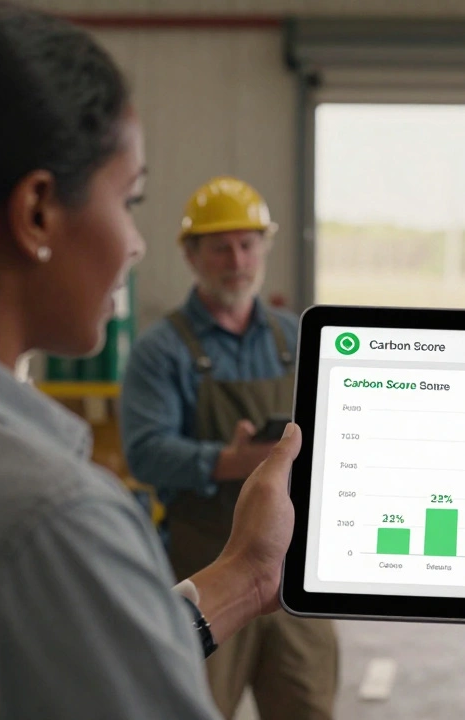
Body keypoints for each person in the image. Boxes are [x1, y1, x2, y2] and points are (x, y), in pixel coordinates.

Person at [0, 4, 303, 718]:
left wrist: (246, 576)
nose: (135, 242)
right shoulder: (53, 521)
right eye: (130, 199)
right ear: (35, 213)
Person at [120, 179, 338, 720]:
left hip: (295, 577)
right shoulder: (161, 350)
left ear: (264, 247)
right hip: (208, 570)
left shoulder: (299, 338)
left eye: (247, 244)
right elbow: (145, 453)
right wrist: (232, 460)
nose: (236, 259)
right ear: (191, 256)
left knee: (306, 706)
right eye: (219, 246)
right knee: (193, 707)